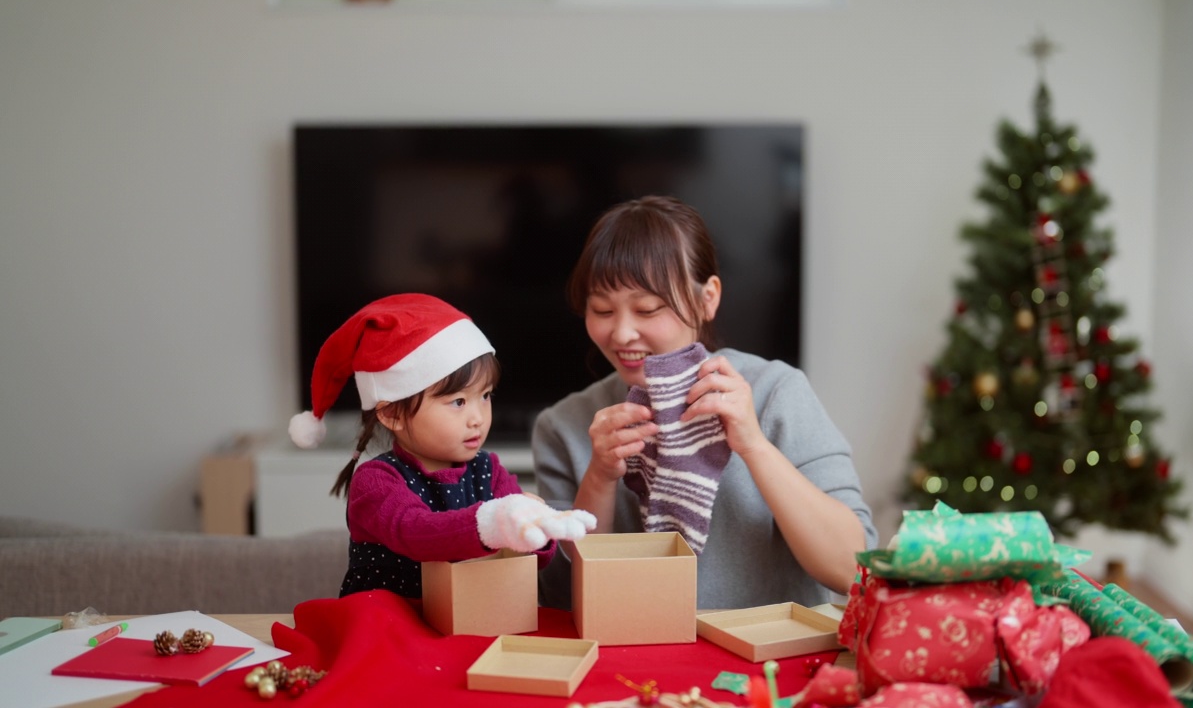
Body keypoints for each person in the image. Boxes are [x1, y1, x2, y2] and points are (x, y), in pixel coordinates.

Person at [534, 196, 877, 610]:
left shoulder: (776, 393)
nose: (622, 333)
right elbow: (562, 600)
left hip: (768, 666)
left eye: (648, 308)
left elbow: (852, 571)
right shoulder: (564, 426)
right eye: (602, 309)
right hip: (632, 667)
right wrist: (600, 478)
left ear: (707, 298)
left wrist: (754, 445)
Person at [288, 293, 596, 599]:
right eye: (458, 402)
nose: (478, 418)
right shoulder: (376, 481)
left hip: (466, 621)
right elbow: (417, 533)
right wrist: (496, 522)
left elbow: (534, 561)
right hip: (391, 625)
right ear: (392, 414)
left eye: (485, 396)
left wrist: (537, 530)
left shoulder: (489, 471)